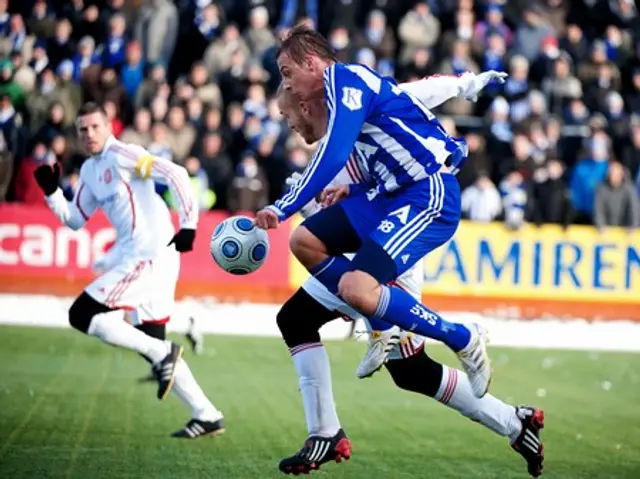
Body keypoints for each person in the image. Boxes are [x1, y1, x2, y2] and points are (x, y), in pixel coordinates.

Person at [275, 78, 544, 478]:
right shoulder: (333, 139)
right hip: (356, 256)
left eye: (287, 113)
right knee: (297, 319)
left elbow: (417, 92)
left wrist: (465, 84)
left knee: (410, 369)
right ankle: (325, 432)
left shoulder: (356, 106)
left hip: (391, 254)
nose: (288, 124)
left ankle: (507, 414)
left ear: (305, 102)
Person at [255, 26, 491, 403]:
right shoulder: (341, 100)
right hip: (387, 196)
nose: (287, 85)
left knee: (359, 292)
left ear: (312, 63)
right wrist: (352, 188)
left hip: (425, 194)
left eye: (287, 73)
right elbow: (381, 149)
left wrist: (283, 205)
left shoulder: (346, 80)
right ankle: (381, 323)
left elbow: (333, 154)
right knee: (304, 241)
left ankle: (463, 337)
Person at [32, 102, 223, 438]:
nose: (89, 134)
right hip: (147, 259)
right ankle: (206, 414)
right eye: (82, 130)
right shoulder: (91, 171)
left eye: (94, 127)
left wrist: (189, 223)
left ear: (109, 127)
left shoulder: (124, 155)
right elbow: (75, 220)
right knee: (151, 341)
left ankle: (163, 353)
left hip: (150, 256)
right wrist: (52, 193)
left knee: (82, 314)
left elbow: (176, 173)